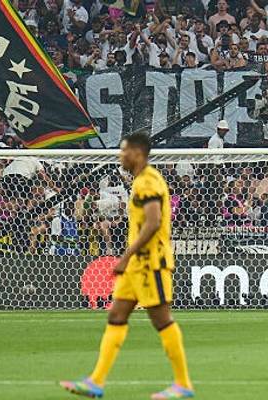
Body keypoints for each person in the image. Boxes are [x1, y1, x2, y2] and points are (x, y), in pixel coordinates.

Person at [61, 134, 194, 399]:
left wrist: (126, 255)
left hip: (151, 263)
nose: (120, 156)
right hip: (136, 266)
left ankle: (183, 384)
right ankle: (96, 381)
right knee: (116, 316)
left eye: (123, 151)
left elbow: (153, 222)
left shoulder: (149, 181)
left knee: (162, 321)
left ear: (137, 153)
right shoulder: (138, 182)